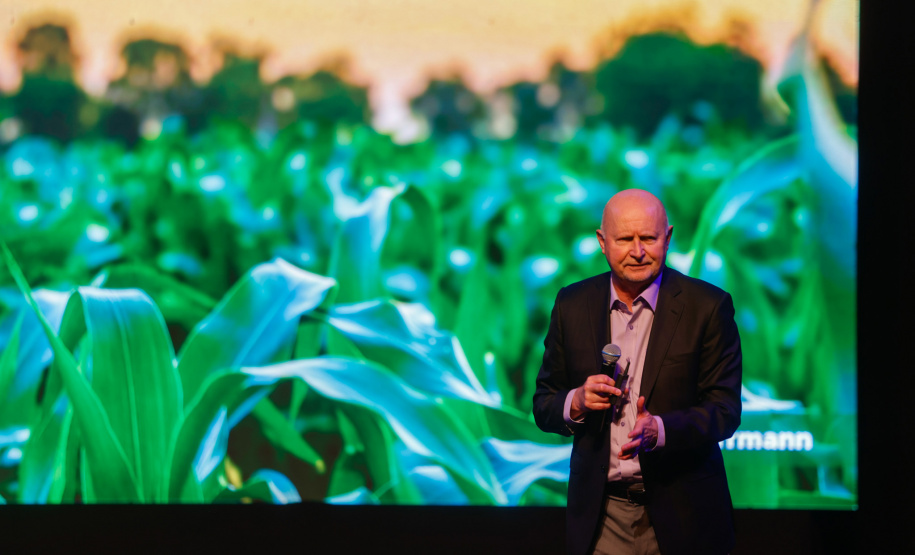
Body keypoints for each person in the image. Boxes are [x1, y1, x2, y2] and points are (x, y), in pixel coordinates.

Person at [533, 189, 742, 555]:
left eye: (648, 238)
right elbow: (544, 404)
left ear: (668, 237)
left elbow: (724, 412)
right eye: (624, 239)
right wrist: (577, 401)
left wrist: (659, 430)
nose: (637, 251)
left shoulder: (708, 307)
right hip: (600, 516)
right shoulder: (572, 303)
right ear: (602, 241)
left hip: (683, 514)